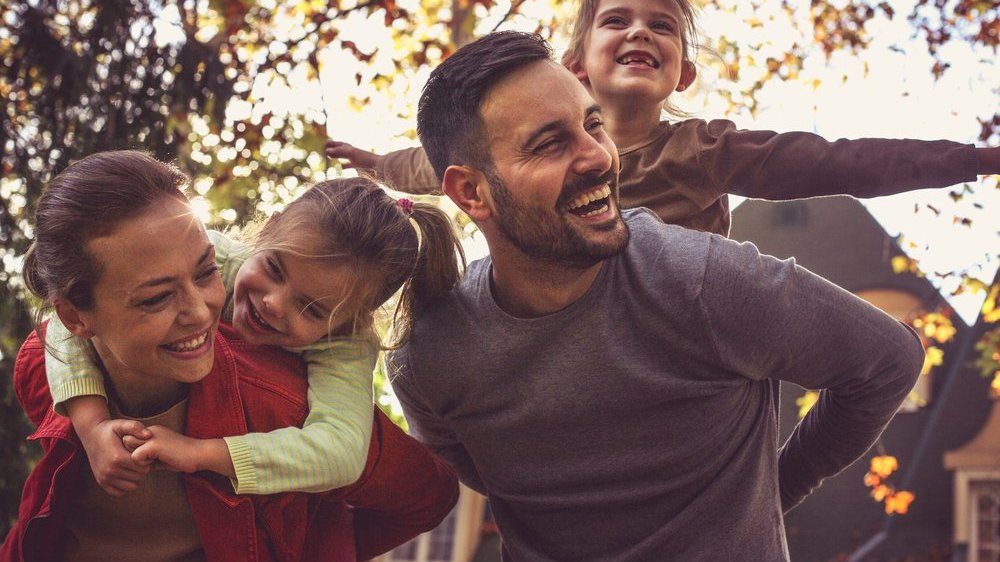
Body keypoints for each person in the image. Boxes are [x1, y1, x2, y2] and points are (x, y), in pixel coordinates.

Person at [386, 31, 925, 561]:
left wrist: (775, 492)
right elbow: (471, 474)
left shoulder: (699, 281)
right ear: (472, 192)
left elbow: (887, 362)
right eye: (551, 143)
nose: (598, 157)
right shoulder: (428, 357)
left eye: (593, 124)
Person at [2, 151, 458, 561]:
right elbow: (55, 328)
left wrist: (207, 456)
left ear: (349, 323)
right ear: (268, 232)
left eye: (311, 309)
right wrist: (92, 425)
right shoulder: (45, 369)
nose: (273, 304)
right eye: (156, 297)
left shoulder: (302, 385)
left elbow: (367, 465)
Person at [325, 0, 999, 236]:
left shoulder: (702, 150)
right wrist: (377, 165)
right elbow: (445, 162)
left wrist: (970, 160)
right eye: (616, 20)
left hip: (683, 320)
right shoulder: (535, 150)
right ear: (575, 66)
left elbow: (839, 160)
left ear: (684, 73)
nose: (641, 32)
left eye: (663, 26)